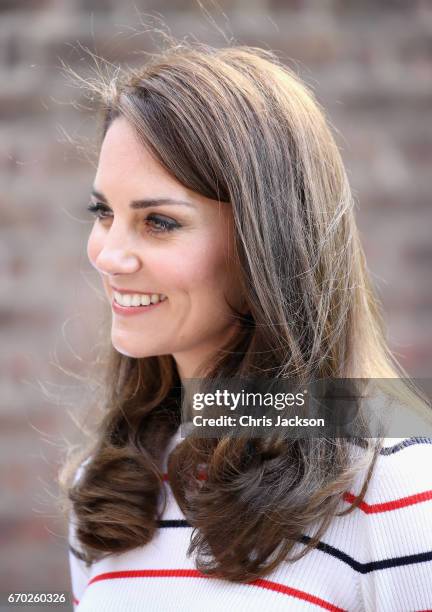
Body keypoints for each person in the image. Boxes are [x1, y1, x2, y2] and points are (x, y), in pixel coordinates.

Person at [59, 41, 432, 611]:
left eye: (158, 221)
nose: (109, 255)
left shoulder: (395, 478)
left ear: (266, 242)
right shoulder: (110, 487)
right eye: (104, 213)